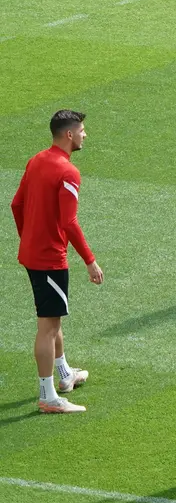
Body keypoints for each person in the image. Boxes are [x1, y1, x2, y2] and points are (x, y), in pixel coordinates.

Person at [10, 109, 103, 414]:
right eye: (82, 130)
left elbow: (16, 204)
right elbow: (69, 222)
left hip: (33, 254)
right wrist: (90, 260)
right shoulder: (67, 172)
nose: (85, 135)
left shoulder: (37, 160)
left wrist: (28, 238)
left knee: (53, 318)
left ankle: (64, 377)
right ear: (69, 135)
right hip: (49, 258)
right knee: (47, 327)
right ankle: (48, 396)